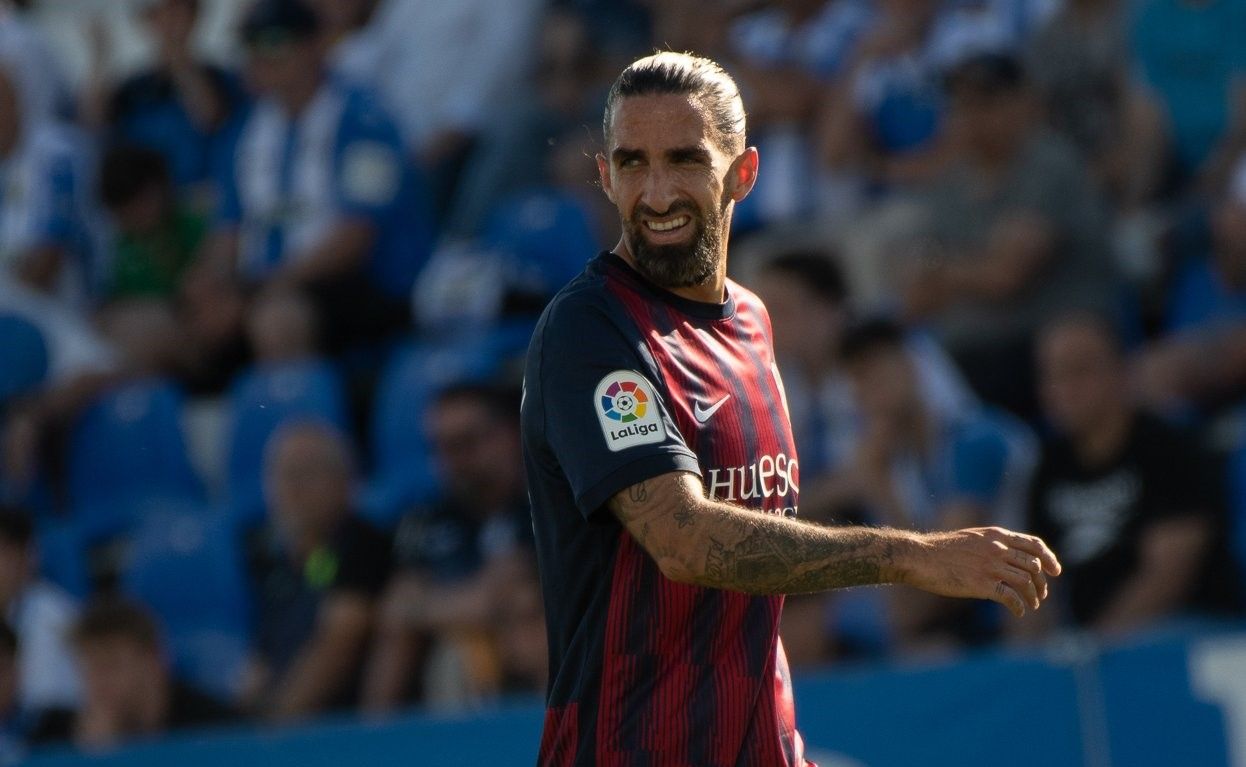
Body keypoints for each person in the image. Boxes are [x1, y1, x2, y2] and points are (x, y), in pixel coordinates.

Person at [521, 52, 1061, 766]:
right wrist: (910, 554)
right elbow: (685, 541)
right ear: (605, 176)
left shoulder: (751, 321)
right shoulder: (590, 332)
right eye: (632, 163)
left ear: (743, 173)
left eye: (685, 160)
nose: (655, 193)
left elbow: (752, 567)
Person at [207, 0, 434, 351]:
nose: (259, 57)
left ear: (314, 46)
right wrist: (214, 287)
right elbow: (228, 230)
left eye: (273, 42)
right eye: (249, 45)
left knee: (277, 320)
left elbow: (356, 237)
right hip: (267, 284)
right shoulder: (243, 132)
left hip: (359, 285)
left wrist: (263, 288)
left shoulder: (366, 121)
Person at [1024, 314, 1239, 637]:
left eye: (1079, 371)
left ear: (1121, 370)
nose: (1063, 389)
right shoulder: (1047, 467)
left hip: (1184, 633)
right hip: (1093, 650)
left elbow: (1169, 575)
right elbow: (1034, 579)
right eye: (1052, 376)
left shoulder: (1170, 448)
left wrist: (1094, 651)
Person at [362, 383, 534, 711]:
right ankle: (373, 740)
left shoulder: (543, 507)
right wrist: (471, 602)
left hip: (533, 659)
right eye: (441, 447)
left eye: (466, 442)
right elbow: (396, 608)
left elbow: (504, 599)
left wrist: (429, 606)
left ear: (508, 435)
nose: (454, 460)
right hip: (452, 666)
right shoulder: (426, 520)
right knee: (443, 650)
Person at [244, 421, 390, 722]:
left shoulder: (362, 545)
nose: (291, 488)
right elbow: (263, 659)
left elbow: (338, 646)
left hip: (339, 728)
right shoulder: (271, 559)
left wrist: (272, 729)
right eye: (281, 475)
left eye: (305, 474)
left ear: (345, 480)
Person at [64, 598, 236, 751]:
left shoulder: (216, 731)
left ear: (154, 661)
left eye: (111, 665)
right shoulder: (62, 739)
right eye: (89, 669)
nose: (99, 681)